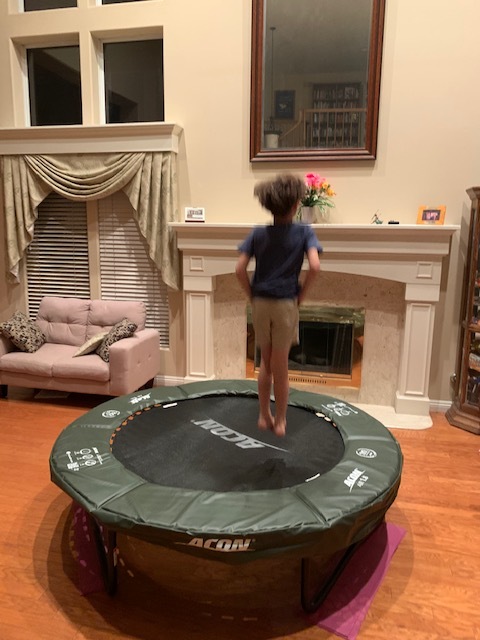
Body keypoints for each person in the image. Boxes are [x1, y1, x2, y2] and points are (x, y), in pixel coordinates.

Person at [235, 174, 322, 437]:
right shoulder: (305, 232)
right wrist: (301, 296)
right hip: (285, 303)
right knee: (281, 365)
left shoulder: (258, 233)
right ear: (296, 205)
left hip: (261, 303)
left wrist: (252, 295)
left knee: (265, 363)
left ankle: (264, 415)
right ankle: (281, 420)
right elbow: (315, 266)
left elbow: (239, 269)